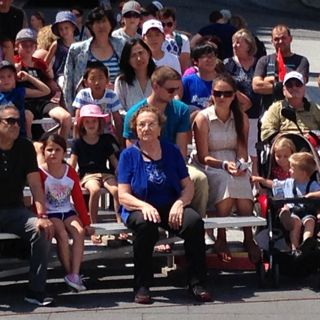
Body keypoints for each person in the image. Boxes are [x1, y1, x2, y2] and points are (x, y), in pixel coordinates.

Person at [118, 105, 212, 304]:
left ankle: (197, 282)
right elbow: (123, 195)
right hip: (139, 206)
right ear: (135, 129)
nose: (146, 128)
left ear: (160, 128)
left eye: (151, 124)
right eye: (141, 125)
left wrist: (180, 203)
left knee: (194, 222)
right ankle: (142, 285)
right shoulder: (128, 155)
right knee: (146, 226)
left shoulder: (171, 151)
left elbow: (187, 187)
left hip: (170, 205)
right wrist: (143, 206)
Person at [123, 66, 209, 221]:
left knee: (199, 179)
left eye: (178, 89)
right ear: (155, 86)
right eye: (170, 90)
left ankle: (192, 220)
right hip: (143, 164)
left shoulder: (181, 109)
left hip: (173, 161)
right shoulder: (134, 113)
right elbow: (133, 154)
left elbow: (181, 150)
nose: (175, 94)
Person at [192, 73, 260, 264]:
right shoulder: (203, 118)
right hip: (210, 163)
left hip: (232, 161)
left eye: (227, 94)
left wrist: (241, 165)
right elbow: (202, 155)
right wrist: (223, 165)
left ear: (234, 95)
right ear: (212, 94)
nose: (222, 98)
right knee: (226, 180)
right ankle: (221, 236)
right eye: (217, 93)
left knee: (241, 178)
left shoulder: (241, 118)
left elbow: (242, 150)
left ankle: (248, 236)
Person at [0, 104, 54, 306]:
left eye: (18, 121)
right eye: (10, 121)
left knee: (42, 230)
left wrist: (42, 216)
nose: (15, 125)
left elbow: (35, 184)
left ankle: (35, 290)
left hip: (15, 210)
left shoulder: (25, 147)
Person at [39, 133, 94, 291]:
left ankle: (75, 274)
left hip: (67, 211)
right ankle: (70, 273)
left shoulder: (70, 171)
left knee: (79, 231)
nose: (53, 153)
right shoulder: (40, 172)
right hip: (51, 213)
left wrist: (87, 222)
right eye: (49, 150)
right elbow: (38, 199)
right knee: (62, 235)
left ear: (64, 152)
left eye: (57, 150)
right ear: (43, 152)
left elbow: (78, 199)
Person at [69, 104, 122, 243]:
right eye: (87, 121)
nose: (91, 124)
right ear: (82, 124)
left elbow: (113, 159)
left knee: (116, 190)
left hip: (105, 172)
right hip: (88, 174)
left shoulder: (105, 139)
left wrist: (119, 171)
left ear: (99, 123)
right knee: (95, 190)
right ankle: (92, 226)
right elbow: (72, 163)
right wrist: (69, 178)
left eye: (94, 121)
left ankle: (120, 223)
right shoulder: (78, 142)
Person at [14, 28, 72, 141]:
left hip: (42, 101)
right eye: (24, 45)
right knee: (26, 117)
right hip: (24, 102)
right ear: (17, 46)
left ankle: (60, 147)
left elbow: (50, 79)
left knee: (66, 117)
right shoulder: (13, 62)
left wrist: (49, 73)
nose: (29, 48)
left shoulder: (39, 63)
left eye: (32, 45)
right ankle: (30, 146)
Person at [63, 6, 125, 110]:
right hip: (87, 107)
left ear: (111, 24)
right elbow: (68, 83)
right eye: (97, 22)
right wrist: (71, 111)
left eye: (104, 21)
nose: (101, 26)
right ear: (91, 26)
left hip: (118, 105)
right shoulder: (77, 49)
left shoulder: (122, 45)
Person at [224, 28, 261, 176]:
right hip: (236, 112)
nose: (235, 45)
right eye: (233, 42)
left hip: (255, 114)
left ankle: (255, 178)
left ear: (249, 45)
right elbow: (224, 83)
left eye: (239, 42)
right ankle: (238, 172)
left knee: (253, 147)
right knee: (237, 144)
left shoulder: (258, 63)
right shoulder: (228, 64)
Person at [252, 24, 309, 113]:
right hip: (267, 113)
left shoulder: (301, 61)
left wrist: (268, 80)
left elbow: (297, 87)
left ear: (290, 39)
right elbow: (256, 86)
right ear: (272, 41)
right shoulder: (264, 60)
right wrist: (284, 84)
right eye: (276, 39)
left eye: (283, 38)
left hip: (293, 113)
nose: (280, 41)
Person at [275, 152, 320, 256]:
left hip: (307, 211)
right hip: (295, 211)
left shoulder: (312, 184)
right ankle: (295, 248)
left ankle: (306, 243)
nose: (289, 170)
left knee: (310, 222)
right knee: (296, 224)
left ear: (303, 173)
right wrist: (261, 180)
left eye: (292, 168)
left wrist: (311, 195)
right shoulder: (290, 183)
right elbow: (274, 183)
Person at [72, 61, 124, 146]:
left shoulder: (111, 96)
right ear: (86, 82)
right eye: (92, 79)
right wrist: (76, 142)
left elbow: (117, 120)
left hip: (107, 134)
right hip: (87, 134)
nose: (97, 82)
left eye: (100, 78)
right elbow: (77, 120)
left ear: (107, 80)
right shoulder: (83, 95)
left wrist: (121, 143)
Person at [260, 71, 320, 141]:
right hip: (284, 144)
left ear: (304, 89)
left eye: (298, 84)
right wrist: (285, 138)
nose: (294, 87)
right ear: (283, 90)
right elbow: (266, 132)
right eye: (289, 85)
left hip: (311, 145)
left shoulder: (314, 107)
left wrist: (314, 136)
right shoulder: (276, 108)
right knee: (283, 146)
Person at [0, 60, 50, 138]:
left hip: (20, 136)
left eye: (9, 76)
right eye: (1, 77)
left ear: (15, 78)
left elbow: (46, 91)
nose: (6, 79)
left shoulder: (19, 92)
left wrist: (29, 77)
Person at [114, 38, 156, 112]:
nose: (139, 58)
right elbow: (119, 110)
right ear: (128, 60)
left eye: (141, 53)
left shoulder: (159, 77)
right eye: (133, 55)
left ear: (148, 53)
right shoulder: (122, 81)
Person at [45, 11, 79, 89]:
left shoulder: (79, 45)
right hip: (61, 75)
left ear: (73, 27)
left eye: (66, 28)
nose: (64, 31)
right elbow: (46, 62)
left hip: (76, 75)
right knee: (65, 85)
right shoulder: (56, 44)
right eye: (61, 29)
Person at [158, 7, 191, 73]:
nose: (165, 27)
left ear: (174, 24)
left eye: (169, 24)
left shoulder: (182, 39)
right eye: (162, 24)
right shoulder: (153, 40)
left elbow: (184, 67)